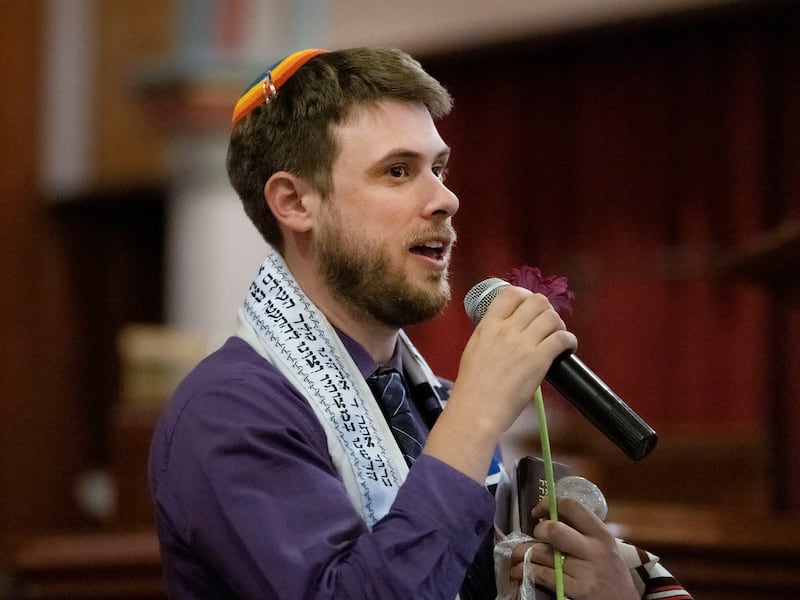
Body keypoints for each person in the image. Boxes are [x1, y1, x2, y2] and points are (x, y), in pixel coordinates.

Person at [149, 47, 691, 600]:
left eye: (439, 169)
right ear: (294, 203)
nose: (446, 199)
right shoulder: (229, 412)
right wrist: (477, 415)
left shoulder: (432, 402)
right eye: (398, 171)